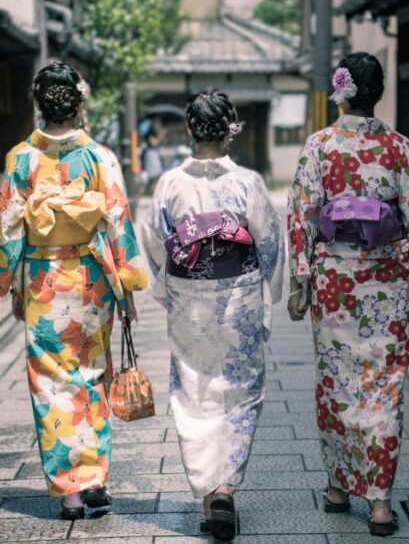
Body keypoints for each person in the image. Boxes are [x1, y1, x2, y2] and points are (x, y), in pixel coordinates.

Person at [286, 53, 409, 536]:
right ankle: (380, 501)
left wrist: (300, 284)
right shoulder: (399, 148)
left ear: (339, 92)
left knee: (337, 382)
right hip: (388, 282)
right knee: (384, 388)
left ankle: (339, 487)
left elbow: (301, 217)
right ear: (377, 93)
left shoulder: (320, 146)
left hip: (335, 283)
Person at [0, 61, 149, 521]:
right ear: (79, 103)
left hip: (43, 278)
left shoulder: (22, 158)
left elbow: (7, 227)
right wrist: (129, 284)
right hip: (92, 277)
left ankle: (71, 492)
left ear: (40, 105)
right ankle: (95, 478)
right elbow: (119, 219)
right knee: (92, 374)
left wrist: (5, 280)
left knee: (51, 383)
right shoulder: (100, 157)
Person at [141, 91, 284, 542]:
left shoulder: (169, 185)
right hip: (238, 294)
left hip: (188, 295)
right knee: (240, 392)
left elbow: (152, 242)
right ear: (230, 130)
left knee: (194, 389)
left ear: (189, 131)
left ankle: (207, 496)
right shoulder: (247, 183)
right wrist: (272, 291)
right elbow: (269, 243)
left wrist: (168, 286)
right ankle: (226, 486)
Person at [141, 130, 164, 194]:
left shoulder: (158, 149)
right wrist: (143, 171)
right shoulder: (146, 150)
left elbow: (161, 161)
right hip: (150, 172)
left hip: (158, 171)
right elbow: (142, 161)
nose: (152, 141)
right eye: (151, 139)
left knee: (157, 186)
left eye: (154, 139)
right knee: (151, 186)